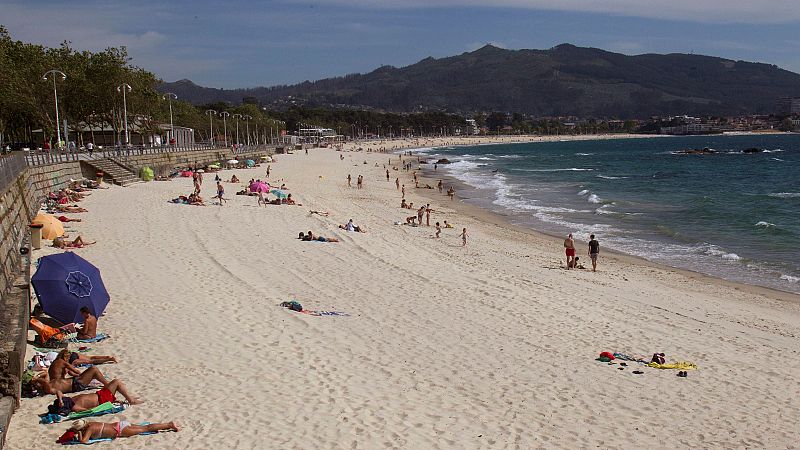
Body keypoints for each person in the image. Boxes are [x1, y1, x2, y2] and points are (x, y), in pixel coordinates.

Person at [69, 418, 179, 443]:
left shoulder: (89, 429)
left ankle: (169, 425)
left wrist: (78, 434)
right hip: (120, 424)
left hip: (120, 431)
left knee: (146, 428)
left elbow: (84, 441)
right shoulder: (91, 423)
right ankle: (168, 424)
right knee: (146, 427)